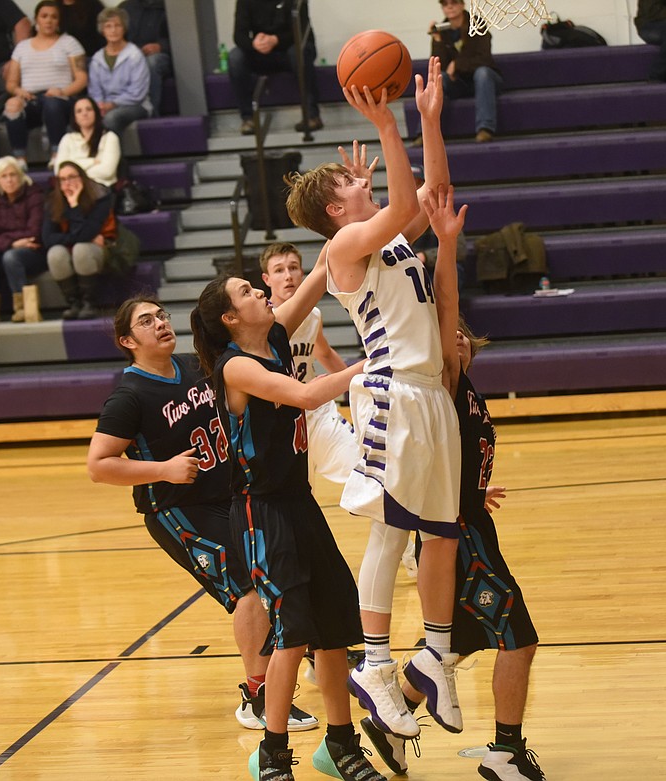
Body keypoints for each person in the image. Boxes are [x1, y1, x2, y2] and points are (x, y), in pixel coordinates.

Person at [285, 58, 465, 742]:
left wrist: (426, 122)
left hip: (431, 396)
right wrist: (390, 127)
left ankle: (437, 652)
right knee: (392, 529)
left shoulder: (388, 236)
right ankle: (378, 664)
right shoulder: (342, 250)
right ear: (335, 210)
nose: (361, 178)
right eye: (348, 181)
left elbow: (431, 196)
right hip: (391, 392)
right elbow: (398, 204)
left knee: (441, 534)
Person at [88, 294, 321, 736]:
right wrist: (163, 470)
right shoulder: (129, 396)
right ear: (127, 340)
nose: (159, 323)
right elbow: (99, 464)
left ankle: (297, 655)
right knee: (248, 588)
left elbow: (275, 329)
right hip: (179, 510)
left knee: (274, 573)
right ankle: (258, 695)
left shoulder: (196, 366)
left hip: (229, 496)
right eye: (145, 321)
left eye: (161, 315)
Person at [189, 273, 386, 781]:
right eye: (248, 292)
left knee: (336, 626)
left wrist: (338, 231)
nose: (261, 291)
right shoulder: (235, 366)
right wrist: (372, 364)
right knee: (292, 631)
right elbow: (305, 396)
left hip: (300, 504)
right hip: (261, 510)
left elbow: (317, 281)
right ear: (230, 318)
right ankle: (272, 755)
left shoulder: (273, 337)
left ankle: (340, 745)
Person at [259, 242, 359, 488]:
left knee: (366, 474)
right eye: (279, 270)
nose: (288, 276)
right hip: (282, 420)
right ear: (267, 279)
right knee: (301, 500)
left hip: (317, 412)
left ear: (302, 273)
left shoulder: (313, 315)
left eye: (293, 268)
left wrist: (353, 384)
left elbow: (323, 353)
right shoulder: (260, 320)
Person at [4, 0, 88, 165]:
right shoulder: (22, 47)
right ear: (36, 20)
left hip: (60, 100)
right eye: (44, 16)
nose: (49, 20)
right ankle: (19, 159)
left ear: (58, 22)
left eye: (53, 17)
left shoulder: (69, 43)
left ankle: (57, 154)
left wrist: (62, 92)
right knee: (12, 105)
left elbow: (82, 79)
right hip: (31, 99)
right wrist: (19, 92)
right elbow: (11, 83)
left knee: (52, 103)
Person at [229, 0, 323, 136]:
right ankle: (248, 119)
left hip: (290, 49)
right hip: (261, 52)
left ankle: (312, 115)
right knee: (235, 57)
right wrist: (254, 44)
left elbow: (303, 31)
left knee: (299, 52)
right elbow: (239, 35)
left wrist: (276, 39)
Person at [0, 156, 46, 324]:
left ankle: (22, 308)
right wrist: (11, 243)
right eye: (4, 176)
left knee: (11, 257)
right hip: (6, 249)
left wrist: (6, 242)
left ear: (20, 176)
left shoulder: (34, 195)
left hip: (34, 252)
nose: (9, 180)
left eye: (13, 175)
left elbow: (33, 233)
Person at [43, 160, 112, 319]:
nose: (68, 183)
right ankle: (74, 303)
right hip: (73, 247)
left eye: (72, 177)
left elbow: (87, 233)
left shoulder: (100, 196)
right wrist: (72, 238)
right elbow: (48, 239)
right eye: (63, 179)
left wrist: (74, 205)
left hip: (104, 249)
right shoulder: (53, 200)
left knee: (81, 248)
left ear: (82, 178)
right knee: (55, 253)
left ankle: (89, 303)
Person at [428, 0, 502, 143]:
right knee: (439, 78)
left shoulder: (478, 25)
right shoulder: (442, 32)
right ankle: (426, 133)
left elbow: (484, 58)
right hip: (459, 83)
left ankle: (485, 129)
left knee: (483, 73)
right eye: (445, 4)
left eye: (454, 2)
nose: (449, 6)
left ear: (462, 5)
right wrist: (437, 40)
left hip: (485, 81)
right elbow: (439, 66)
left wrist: (457, 64)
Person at [88, 7, 152, 134]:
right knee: (83, 118)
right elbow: (95, 91)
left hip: (135, 106)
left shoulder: (134, 55)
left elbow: (137, 93)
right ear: (102, 30)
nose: (113, 30)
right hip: (104, 106)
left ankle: (115, 154)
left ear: (124, 28)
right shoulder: (97, 59)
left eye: (118, 25)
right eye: (108, 26)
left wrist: (111, 104)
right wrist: (100, 105)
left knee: (111, 118)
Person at [118, 0, 171, 117]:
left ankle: (151, 112)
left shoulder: (168, 6)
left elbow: (181, 37)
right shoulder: (125, 8)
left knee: (151, 62)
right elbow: (117, 37)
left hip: (161, 55)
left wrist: (161, 46)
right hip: (131, 55)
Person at [54, 97, 121, 186]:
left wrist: (73, 170)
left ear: (96, 113)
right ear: (75, 117)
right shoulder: (67, 139)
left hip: (101, 188)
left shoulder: (110, 137)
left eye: (89, 109)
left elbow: (107, 171)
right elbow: (59, 170)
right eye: (79, 111)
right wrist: (92, 162)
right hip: (72, 189)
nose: (84, 113)